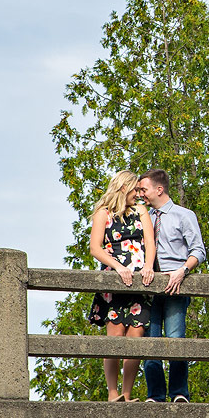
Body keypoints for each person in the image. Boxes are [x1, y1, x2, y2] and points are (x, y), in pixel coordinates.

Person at [87, 169, 156, 402]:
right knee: (115, 336)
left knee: (135, 336)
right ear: (124, 187)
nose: (138, 194)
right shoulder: (103, 213)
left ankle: (127, 394)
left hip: (140, 281)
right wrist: (117, 266)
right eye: (136, 189)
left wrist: (148, 266)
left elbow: (149, 241)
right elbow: (95, 248)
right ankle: (112, 393)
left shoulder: (141, 211)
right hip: (115, 279)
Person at [136, 168, 204, 402]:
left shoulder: (184, 215)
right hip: (148, 286)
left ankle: (178, 393)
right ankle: (155, 394)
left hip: (175, 284)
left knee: (176, 339)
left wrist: (182, 271)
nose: (141, 194)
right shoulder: (144, 217)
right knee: (150, 342)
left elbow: (198, 251)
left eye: (143, 189)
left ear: (159, 189)